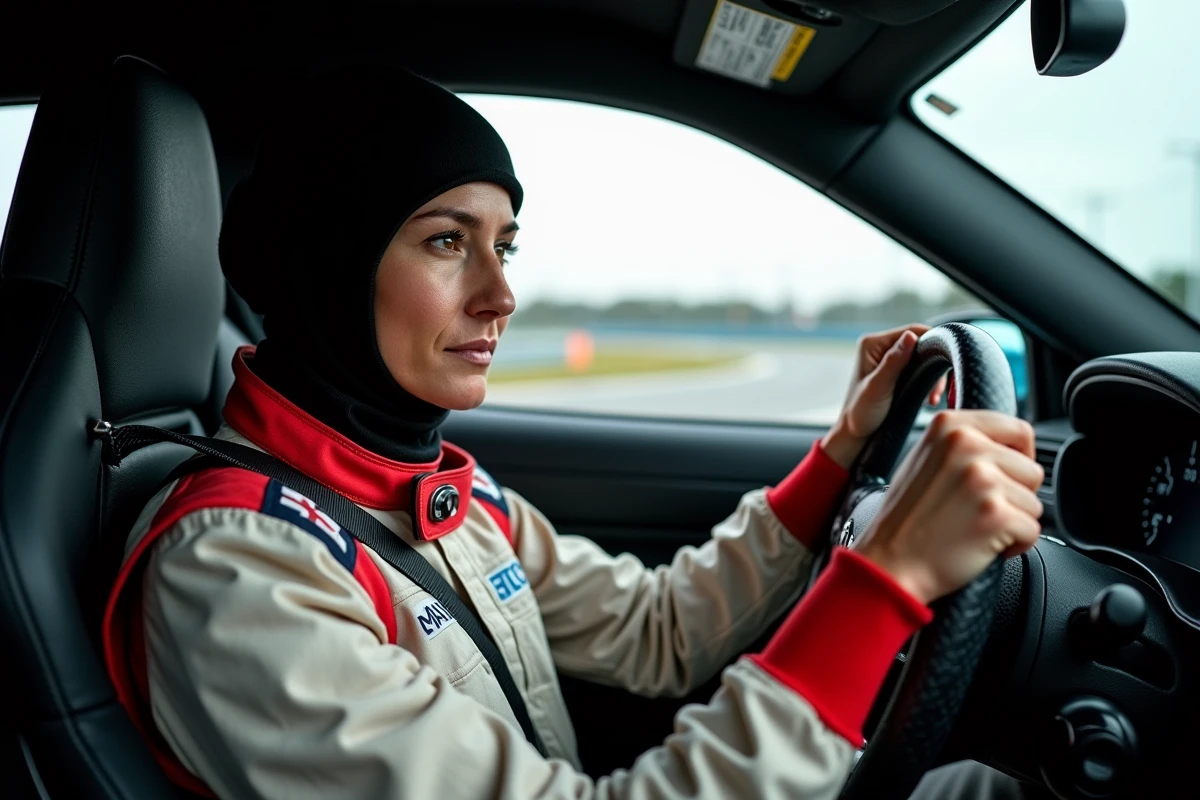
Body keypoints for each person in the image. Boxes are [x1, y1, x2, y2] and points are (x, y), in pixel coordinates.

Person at [102, 68, 1045, 799]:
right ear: (329, 265)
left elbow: (658, 630)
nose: (501, 294)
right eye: (447, 240)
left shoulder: (436, 493)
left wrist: (841, 451)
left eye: (504, 244)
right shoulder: (237, 569)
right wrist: (884, 581)